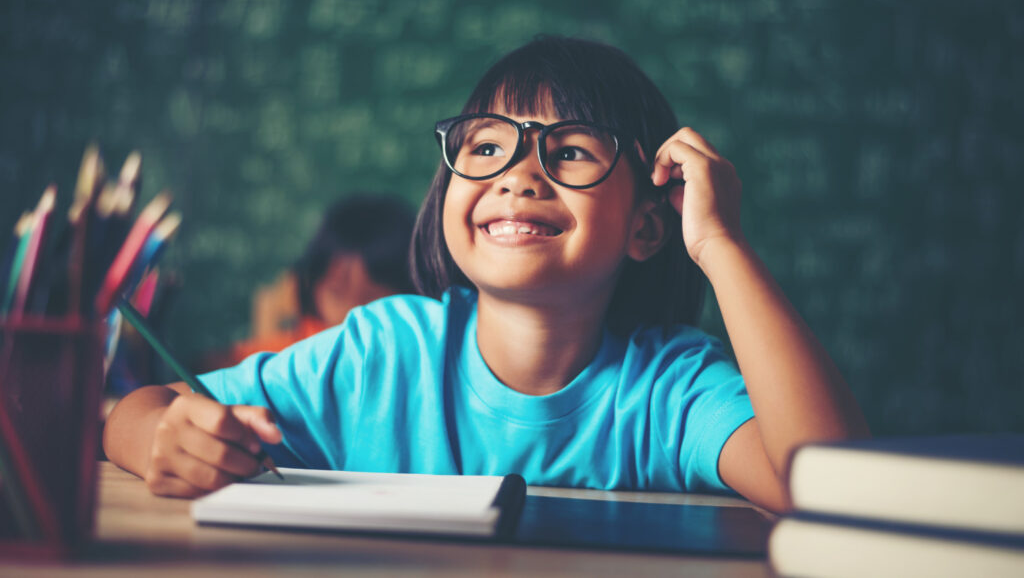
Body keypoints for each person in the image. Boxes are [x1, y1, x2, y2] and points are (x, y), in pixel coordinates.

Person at [103, 36, 869, 512]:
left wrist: (721, 244)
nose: (518, 173)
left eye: (569, 149)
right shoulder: (380, 355)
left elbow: (830, 486)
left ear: (646, 224)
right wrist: (155, 439)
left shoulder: (667, 389)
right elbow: (134, 410)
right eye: (486, 144)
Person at [220, 193, 416, 367]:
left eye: (363, 261)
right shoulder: (289, 347)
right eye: (329, 258)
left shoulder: (410, 356)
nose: (337, 274)